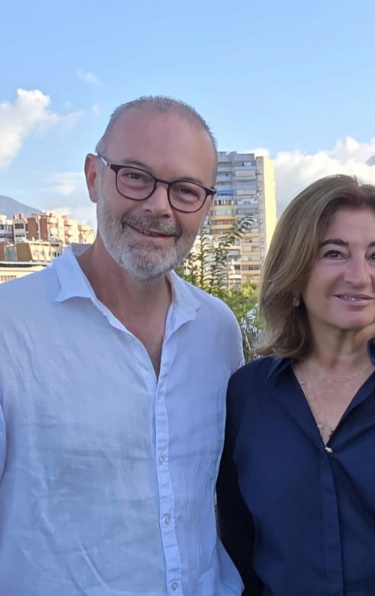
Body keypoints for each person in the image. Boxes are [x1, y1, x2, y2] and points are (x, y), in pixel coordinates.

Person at [0, 97, 245, 595]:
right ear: (94, 177)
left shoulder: (218, 331)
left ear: (206, 204)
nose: (159, 205)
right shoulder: (10, 328)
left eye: (185, 189)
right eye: (135, 176)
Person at [217, 175, 375, 595]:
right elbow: (239, 547)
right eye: (334, 253)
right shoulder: (247, 397)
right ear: (295, 270)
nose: (359, 276)